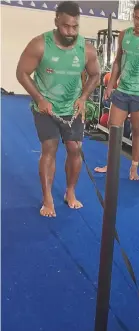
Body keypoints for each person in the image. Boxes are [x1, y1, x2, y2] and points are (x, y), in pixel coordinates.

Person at [16, 1, 100, 217]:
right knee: (50, 148)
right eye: (66, 26)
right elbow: (22, 72)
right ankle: (47, 199)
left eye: (75, 27)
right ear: (56, 22)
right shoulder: (39, 44)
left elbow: (95, 74)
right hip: (46, 109)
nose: (70, 32)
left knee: (74, 149)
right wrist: (39, 99)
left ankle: (70, 192)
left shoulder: (85, 49)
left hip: (72, 108)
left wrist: (83, 97)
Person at [94, 1, 139, 180]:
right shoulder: (125, 35)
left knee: (137, 131)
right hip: (123, 89)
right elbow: (117, 60)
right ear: (132, 17)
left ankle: (134, 168)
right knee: (113, 127)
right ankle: (111, 164)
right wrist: (111, 84)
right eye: (136, 18)